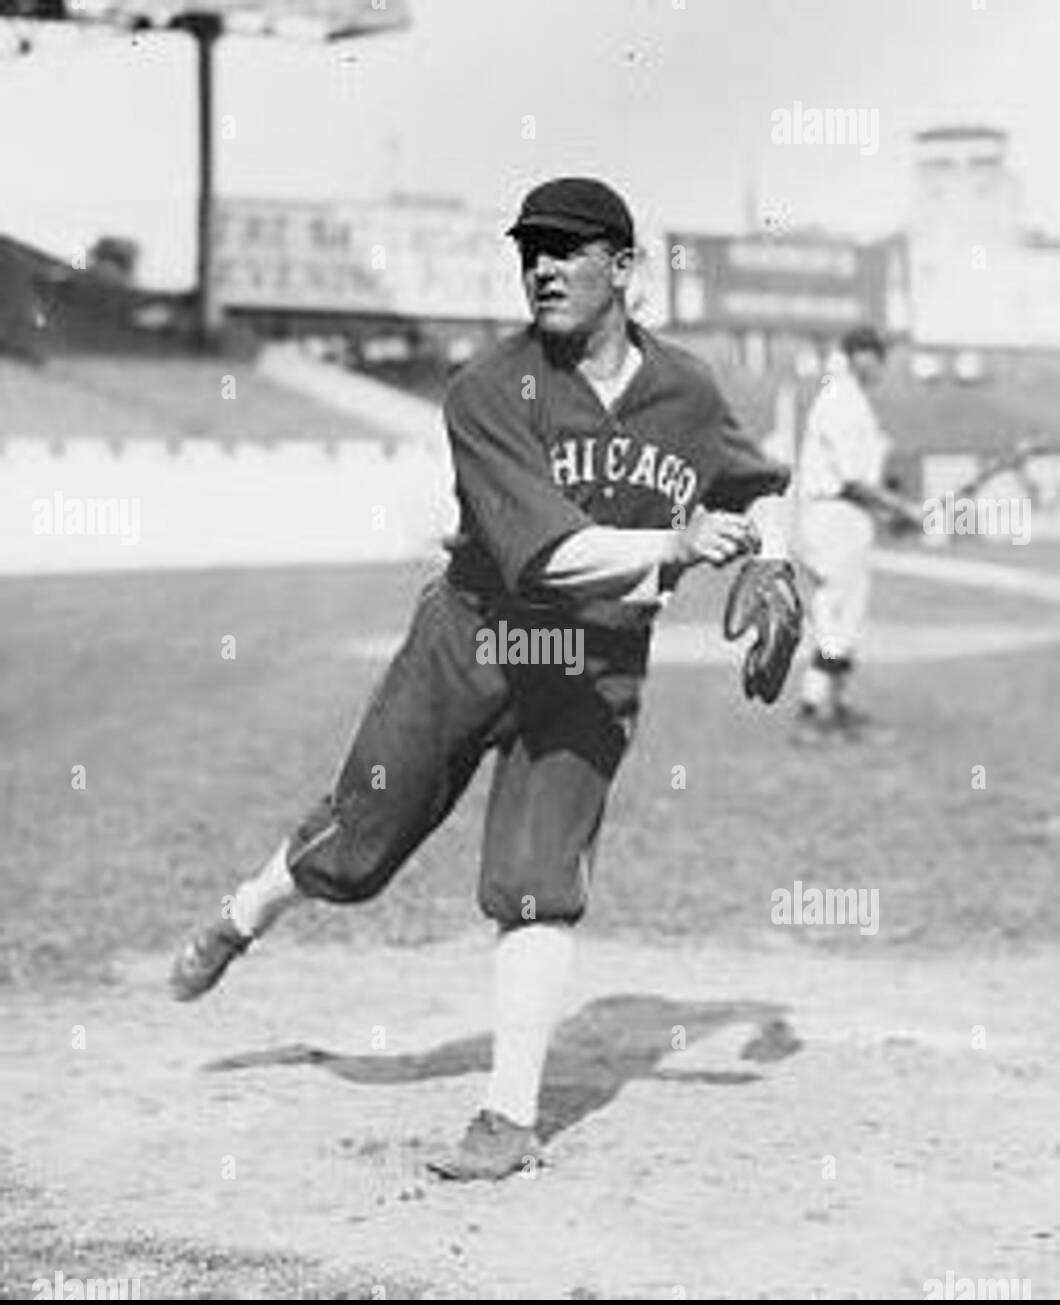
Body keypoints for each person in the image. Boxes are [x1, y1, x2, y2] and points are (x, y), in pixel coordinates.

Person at [169, 177, 791, 1181]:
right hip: (476, 637)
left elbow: (759, 488)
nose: (541, 267)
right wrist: (673, 543)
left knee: (537, 884)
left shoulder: (688, 392)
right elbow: (544, 554)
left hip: (591, 667)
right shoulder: (490, 388)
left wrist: (770, 561)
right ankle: (246, 912)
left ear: (623, 267)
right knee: (358, 850)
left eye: (567, 249)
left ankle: (507, 1120)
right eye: (528, 251)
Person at [792, 325, 920, 744]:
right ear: (860, 356)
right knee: (835, 618)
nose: (882, 364)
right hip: (835, 517)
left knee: (845, 618)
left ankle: (834, 706)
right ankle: (814, 712)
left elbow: (866, 478)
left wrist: (891, 513)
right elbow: (853, 482)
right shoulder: (841, 399)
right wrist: (900, 510)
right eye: (877, 354)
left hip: (846, 517)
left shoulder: (851, 400)